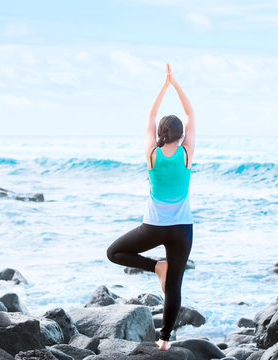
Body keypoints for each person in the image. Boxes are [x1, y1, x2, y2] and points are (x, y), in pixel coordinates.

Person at [106, 63, 195, 351]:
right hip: (182, 229)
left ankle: (156, 266)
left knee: (114, 253)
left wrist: (163, 85)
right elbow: (192, 114)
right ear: (181, 135)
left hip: (154, 227)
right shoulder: (185, 153)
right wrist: (175, 83)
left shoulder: (152, 154)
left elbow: (151, 115)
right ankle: (165, 340)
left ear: (160, 134)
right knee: (175, 286)